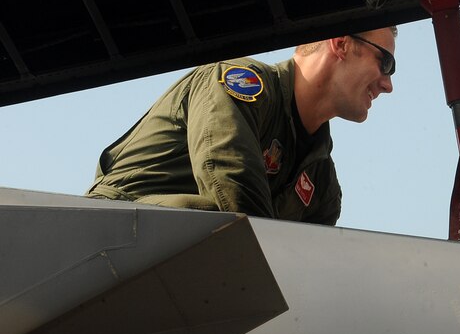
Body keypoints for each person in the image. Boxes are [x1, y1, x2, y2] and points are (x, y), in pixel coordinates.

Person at [86, 28, 396, 225]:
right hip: (107, 228)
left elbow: (311, 263)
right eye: (385, 64)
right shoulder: (242, 83)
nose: (387, 85)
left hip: (194, 278)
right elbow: (228, 172)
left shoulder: (321, 183)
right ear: (340, 43)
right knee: (211, 221)